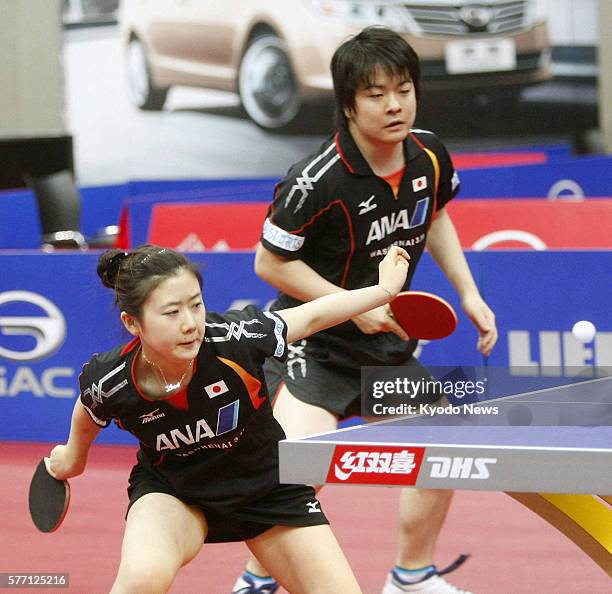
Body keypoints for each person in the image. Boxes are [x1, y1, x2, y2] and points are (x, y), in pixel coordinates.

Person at [232, 26, 497, 594]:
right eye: (376, 94)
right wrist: (352, 308)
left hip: (384, 343)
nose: (394, 104)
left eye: (404, 88)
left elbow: (436, 216)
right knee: (300, 468)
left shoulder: (428, 153)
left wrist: (469, 292)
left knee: (439, 450)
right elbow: (271, 264)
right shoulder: (314, 181)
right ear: (348, 103)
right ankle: (258, 582)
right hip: (316, 343)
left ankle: (411, 577)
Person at [45, 243, 410, 594]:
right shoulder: (110, 379)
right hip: (177, 494)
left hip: (267, 491)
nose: (190, 323)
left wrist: (383, 290)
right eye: (172, 312)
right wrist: (73, 458)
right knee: (142, 579)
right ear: (132, 322)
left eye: (196, 305)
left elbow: (311, 316)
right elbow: (89, 410)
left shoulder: (235, 340)